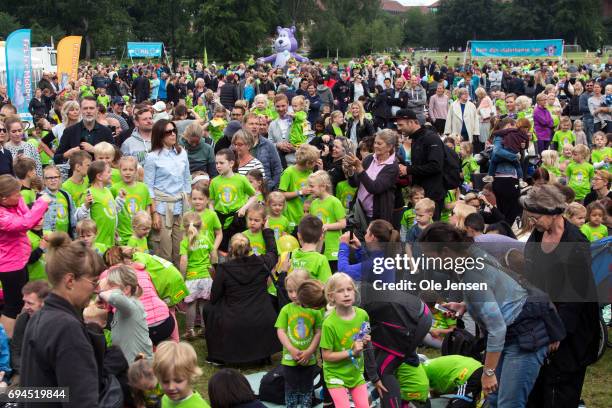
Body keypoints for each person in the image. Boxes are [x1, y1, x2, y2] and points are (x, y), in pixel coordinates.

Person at [419, 223, 564, 408]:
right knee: (493, 399)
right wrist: (465, 305)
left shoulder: (472, 273)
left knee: (508, 403)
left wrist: (488, 373)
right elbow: (497, 286)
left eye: (429, 256)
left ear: (446, 251)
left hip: (524, 337)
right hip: (511, 332)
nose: (427, 261)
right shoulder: (471, 254)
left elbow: (497, 329)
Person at [521, 186, 600, 408]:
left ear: (553, 213)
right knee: (536, 387)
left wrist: (557, 331)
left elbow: (575, 297)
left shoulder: (575, 243)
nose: (532, 222)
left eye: (535, 217)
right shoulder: (538, 235)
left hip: (571, 326)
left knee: (560, 388)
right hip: (543, 316)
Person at [20, 232, 105, 407]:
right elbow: (81, 401)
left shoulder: (37, 318)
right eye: (94, 282)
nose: (96, 290)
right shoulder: (68, 329)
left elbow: (32, 392)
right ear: (70, 281)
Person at [205, 230, 280, 365]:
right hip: (261, 318)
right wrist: (267, 231)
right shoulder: (262, 262)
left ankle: (218, 355)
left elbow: (214, 297)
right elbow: (274, 253)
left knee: (209, 309)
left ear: (230, 250)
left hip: (234, 320)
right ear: (249, 248)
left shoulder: (224, 269)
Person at [0, 175, 50, 337]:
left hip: (20, 260)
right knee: (12, 307)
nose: (20, 196)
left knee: (22, 301)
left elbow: (26, 215)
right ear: (4, 198)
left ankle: (19, 336)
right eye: (16, 194)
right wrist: (41, 203)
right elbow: (23, 223)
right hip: (9, 265)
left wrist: (36, 210)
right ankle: (7, 344)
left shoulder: (15, 200)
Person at [320, 273, 373, 408]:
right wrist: (351, 352)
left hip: (355, 372)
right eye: (340, 290)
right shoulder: (329, 324)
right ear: (331, 297)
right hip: (335, 374)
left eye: (349, 289)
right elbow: (326, 356)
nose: (346, 294)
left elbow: (364, 335)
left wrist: (365, 340)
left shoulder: (363, 314)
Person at [144, 119, 192, 267]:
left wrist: (188, 207)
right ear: (160, 135)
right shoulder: (152, 157)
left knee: (180, 249)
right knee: (164, 252)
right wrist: (154, 213)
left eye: (174, 131)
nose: (172, 134)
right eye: (168, 132)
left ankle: (180, 284)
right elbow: (148, 187)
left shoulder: (182, 153)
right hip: (162, 207)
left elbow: (186, 180)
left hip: (180, 206)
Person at [275, 270, 322, 408]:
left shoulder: (315, 310)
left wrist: (310, 351)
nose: (294, 295)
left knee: (307, 386)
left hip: (309, 359)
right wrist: (291, 349)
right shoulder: (286, 310)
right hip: (290, 359)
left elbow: (318, 332)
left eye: (297, 291)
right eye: (290, 291)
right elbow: (281, 331)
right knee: (290, 387)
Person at [98, 265, 154, 363]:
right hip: (130, 364)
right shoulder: (124, 308)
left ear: (126, 289)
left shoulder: (132, 306)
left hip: (139, 367)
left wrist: (101, 292)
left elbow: (115, 298)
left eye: (111, 286)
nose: (108, 289)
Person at [396, 109, 445, 221]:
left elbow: (436, 166)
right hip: (420, 193)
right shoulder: (415, 139)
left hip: (432, 194)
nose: (399, 128)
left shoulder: (431, 138)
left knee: (430, 232)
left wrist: (408, 170)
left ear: (412, 122)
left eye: (401, 125)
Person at [344, 129, 400, 226]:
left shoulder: (392, 167)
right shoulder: (370, 158)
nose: (375, 146)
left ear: (389, 147)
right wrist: (350, 170)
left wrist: (359, 168)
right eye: (375, 143)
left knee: (371, 241)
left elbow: (374, 188)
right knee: (355, 240)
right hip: (359, 210)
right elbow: (355, 184)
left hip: (375, 216)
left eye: (379, 144)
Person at [179, 212, 214, 339]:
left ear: (184, 227)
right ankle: (205, 329)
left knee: (191, 305)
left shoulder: (184, 242)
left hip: (192, 278)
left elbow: (184, 261)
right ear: (202, 225)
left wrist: (182, 277)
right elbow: (213, 255)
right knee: (204, 304)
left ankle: (190, 331)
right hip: (206, 276)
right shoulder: (206, 239)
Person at [10, 280, 51, 383]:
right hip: (23, 371)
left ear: (43, 303)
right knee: (9, 394)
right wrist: (25, 371)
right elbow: (15, 351)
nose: (25, 307)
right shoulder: (23, 319)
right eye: (24, 302)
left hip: (48, 376)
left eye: (30, 303)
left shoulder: (58, 324)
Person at [54, 96, 114, 163]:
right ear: (81, 110)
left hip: (100, 172)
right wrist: (67, 154)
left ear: (97, 110)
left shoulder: (106, 131)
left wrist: (94, 150)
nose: (88, 111)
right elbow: (56, 158)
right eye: (85, 108)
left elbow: (115, 155)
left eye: (91, 108)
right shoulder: (69, 131)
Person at [153, 341, 210, 407]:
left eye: (178, 381)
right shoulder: (165, 398)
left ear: (191, 376)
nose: (171, 387)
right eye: (165, 381)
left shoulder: (199, 406)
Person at [243, 113, 283, 190]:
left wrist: (271, 186)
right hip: (243, 190)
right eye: (251, 124)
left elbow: (277, 169)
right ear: (244, 125)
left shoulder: (268, 145)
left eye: (257, 124)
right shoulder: (238, 145)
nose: (254, 126)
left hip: (264, 190)